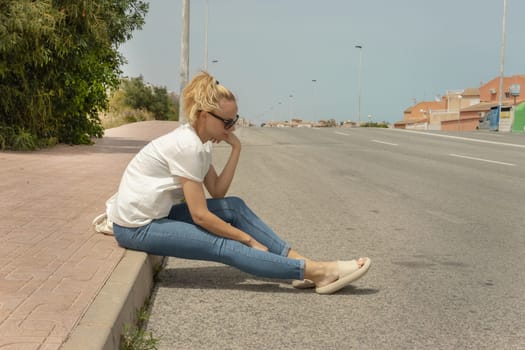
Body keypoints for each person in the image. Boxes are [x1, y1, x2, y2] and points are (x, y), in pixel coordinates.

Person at [106, 71, 371, 294]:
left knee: (233, 207)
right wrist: (247, 239)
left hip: (156, 214)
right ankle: (319, 271)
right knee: (225, 245)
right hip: (136, 227)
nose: (232, 127)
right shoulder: (186, 146)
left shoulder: (200, 143)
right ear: (204, 116)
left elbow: (218, 192)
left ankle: (303, 266)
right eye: (227, 122)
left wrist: (236, 149)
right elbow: (200, 216)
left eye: (235, 121)